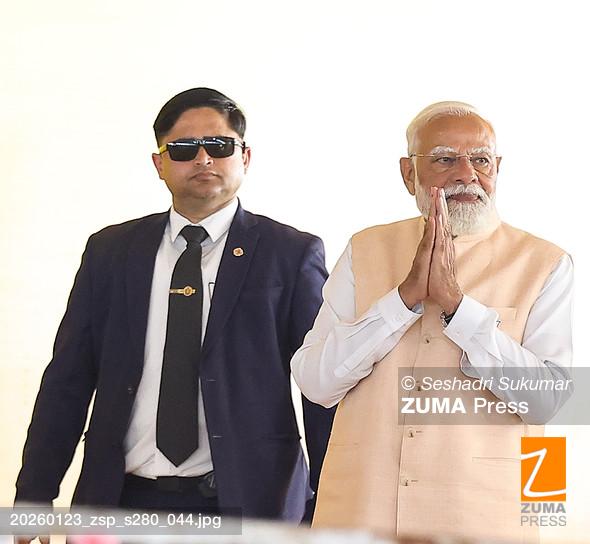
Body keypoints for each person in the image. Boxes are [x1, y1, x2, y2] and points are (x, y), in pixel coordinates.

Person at [15, 88, 335, 528]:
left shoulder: (291, 254)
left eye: (219, 146)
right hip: (121, 501)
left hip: (249, 505)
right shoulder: (111, 252)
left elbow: (321, 387)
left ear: (245, 157)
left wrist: (331, 503)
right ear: (159, 163)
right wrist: (35, 493)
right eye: (184, 148)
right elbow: (68, 378)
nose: (203, 159)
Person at [291, 102, 573, 542]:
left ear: (497, 169)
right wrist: (401, 302)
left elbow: (550, 402)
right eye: (445, 159)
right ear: (409, 174)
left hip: (481, 517)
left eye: (481, 160)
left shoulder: (545, 262)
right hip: (362, 511)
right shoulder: (365, 248)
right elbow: (316, 383)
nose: (466, 174)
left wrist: (458, 309)